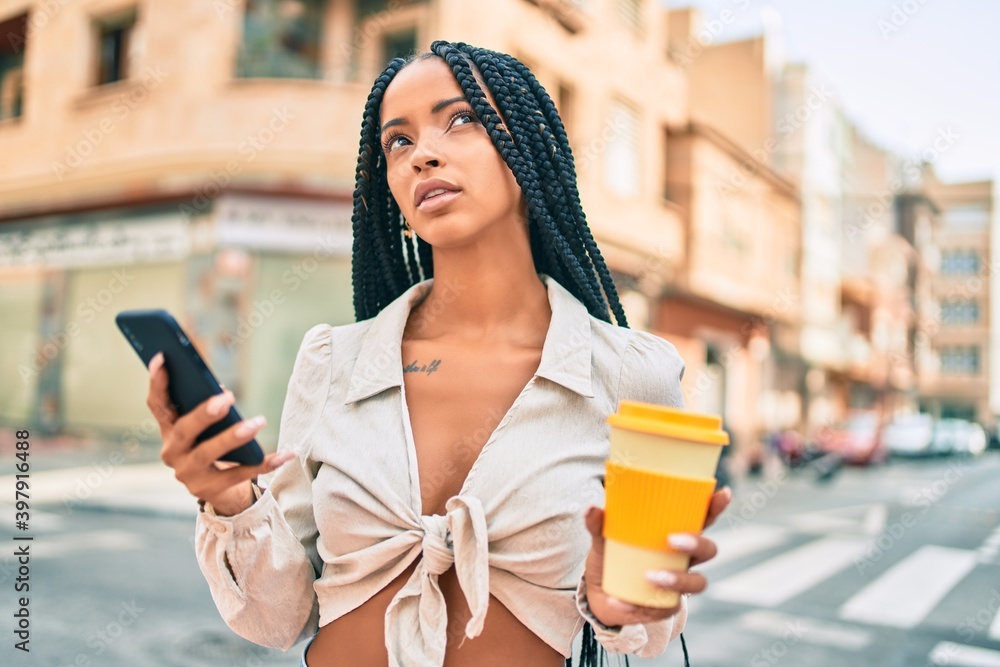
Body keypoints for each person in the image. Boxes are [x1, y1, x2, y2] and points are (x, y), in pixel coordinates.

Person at [145, 40, 731, 667]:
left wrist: (621, 605)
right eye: (398, 142)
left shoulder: (635, 371)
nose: (423, 153)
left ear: (528, 151)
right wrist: (229, 501)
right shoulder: (331, 362)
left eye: (461, 119)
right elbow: (279, 619)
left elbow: (652, 631)